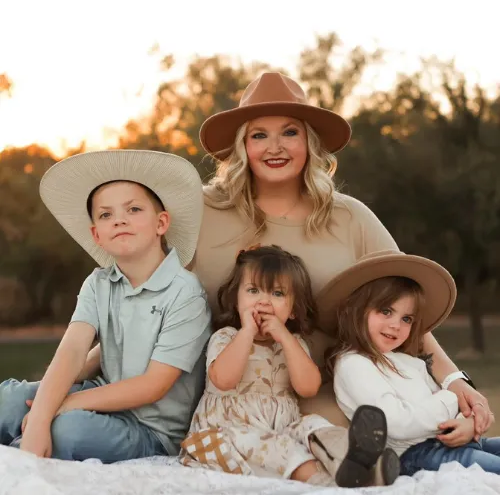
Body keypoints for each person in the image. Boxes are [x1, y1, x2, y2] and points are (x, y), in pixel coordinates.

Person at [80, 72, 493, 470]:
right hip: (224, 400)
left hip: (331, 399)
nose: (274, 147)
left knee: (427, 452)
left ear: (310, 142)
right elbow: (145, 306)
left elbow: (406, 312)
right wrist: (68, 377)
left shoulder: (352, 218)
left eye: (290, 132)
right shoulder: (199, 213)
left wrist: (457, 382)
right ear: (242, 145)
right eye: (259, 134)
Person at [0, 150, 212, 462]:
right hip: (99, 396)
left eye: (134, 209)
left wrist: (64, 406)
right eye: (106, 215)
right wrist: (45, 407)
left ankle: (18, 461)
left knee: (65, 429)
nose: (120, 220)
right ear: (97, 235)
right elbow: (72, 350)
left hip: (150, 429)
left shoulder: (186, 293)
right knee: (9, 399)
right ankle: (26, 440)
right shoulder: (99, 283)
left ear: (161, 223)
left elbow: (153, 386)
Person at [180, 245, 400, 488]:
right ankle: (327, 480)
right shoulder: (227, 337)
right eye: (253, 290)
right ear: (236, 300)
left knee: (313, 425)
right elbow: (223, 380)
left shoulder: (293, 344)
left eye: (277, 294)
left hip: (282, 430)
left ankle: (356, 457)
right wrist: (248, 331)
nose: (263, 301)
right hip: (225, 436)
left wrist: (284, 337)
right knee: (277, 446)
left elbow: (308, 389)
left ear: (294, 310)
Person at [322, 249, 499, 475]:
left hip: (451, 442)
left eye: (406, 318)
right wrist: (451, 397)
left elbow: (446, 407)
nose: (396, 324)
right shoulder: (353, 364)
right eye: (386, 311)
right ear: (356, 310)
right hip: (416, 454)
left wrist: (467, 423)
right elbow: (395, 422)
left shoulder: (409, 362)